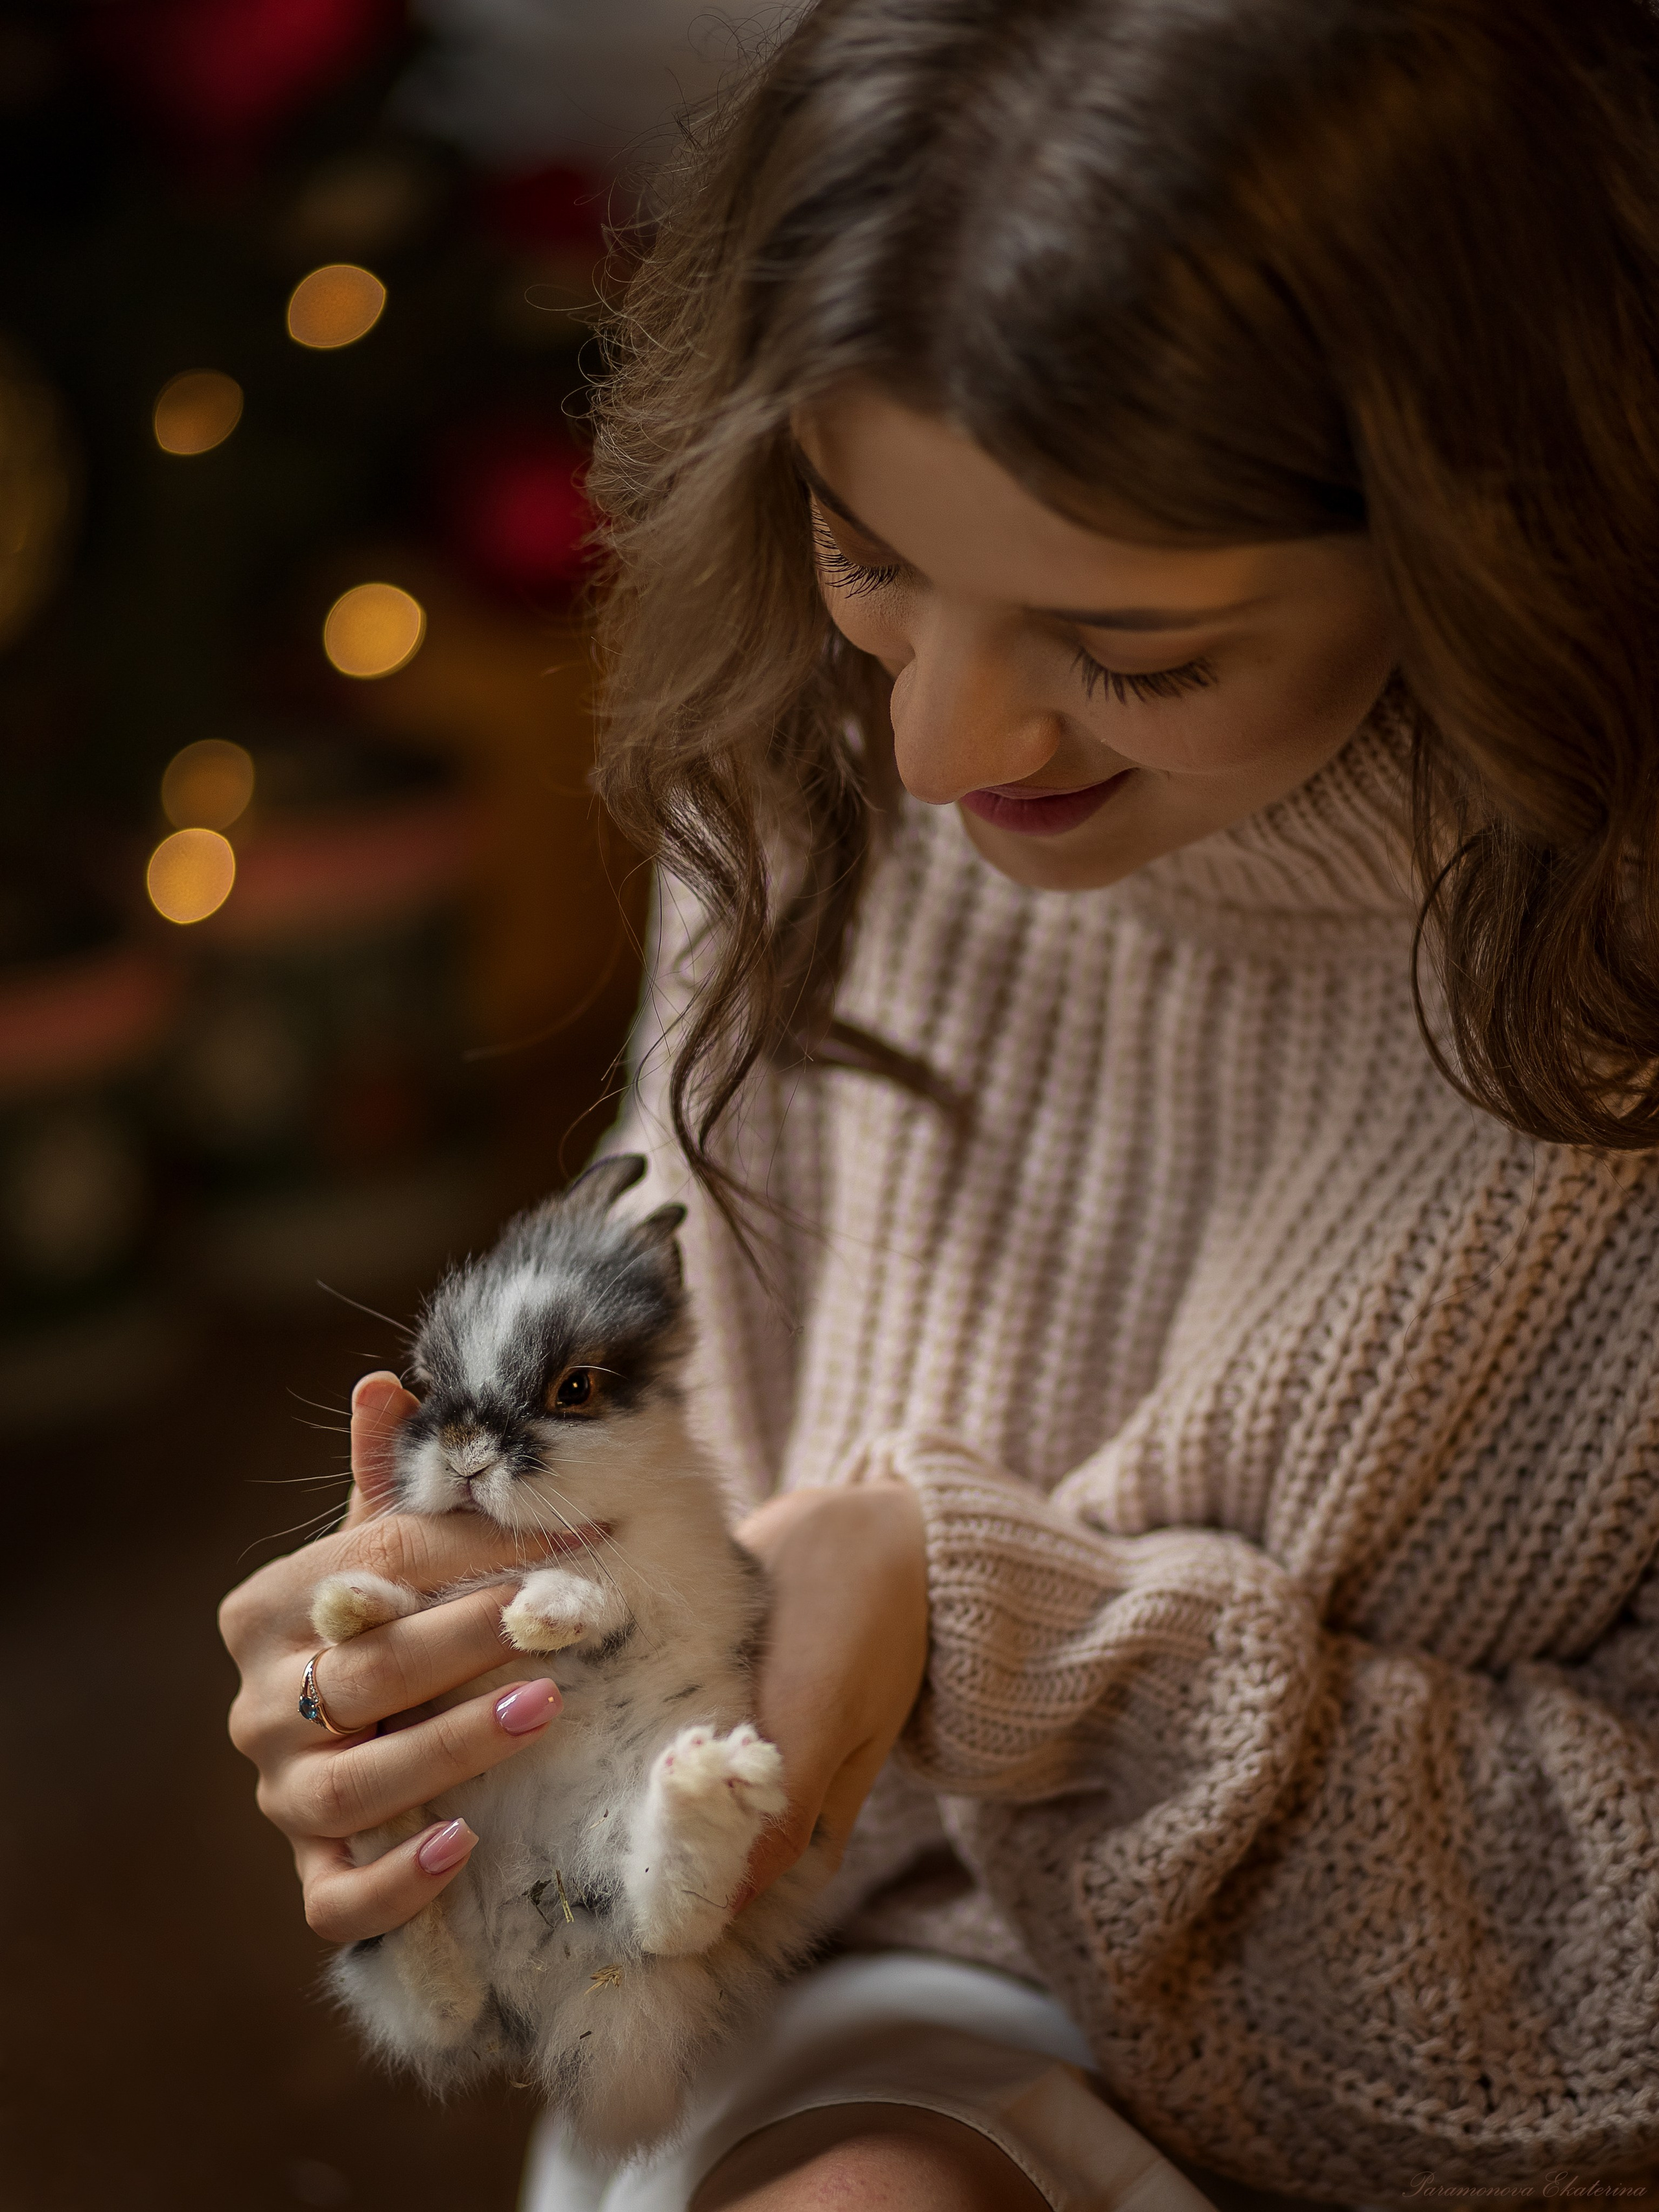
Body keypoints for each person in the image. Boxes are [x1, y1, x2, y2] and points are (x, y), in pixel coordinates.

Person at [219, 0, 1659, 2204]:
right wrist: (462, 1703)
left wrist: (987, 1631)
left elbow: (1613, 1985)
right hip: (853, 2046)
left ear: (1498, 518)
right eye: (867, 550)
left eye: (1139, 651)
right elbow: (713, 1775)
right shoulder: (811, 772)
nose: (941, 754)